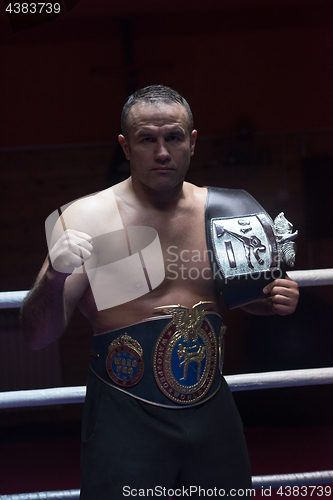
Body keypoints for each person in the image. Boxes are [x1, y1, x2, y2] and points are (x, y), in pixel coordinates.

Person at [21, 85, 299, 499]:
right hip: (124, 412)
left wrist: (275, 300)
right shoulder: (88, 218)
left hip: (211, 408)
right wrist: (55, 277)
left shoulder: (227, 213)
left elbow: (247, 296)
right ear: (126, 146)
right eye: (147, 139)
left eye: (173, 137)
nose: (162, 151)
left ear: (192, 141)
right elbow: (37, 336)